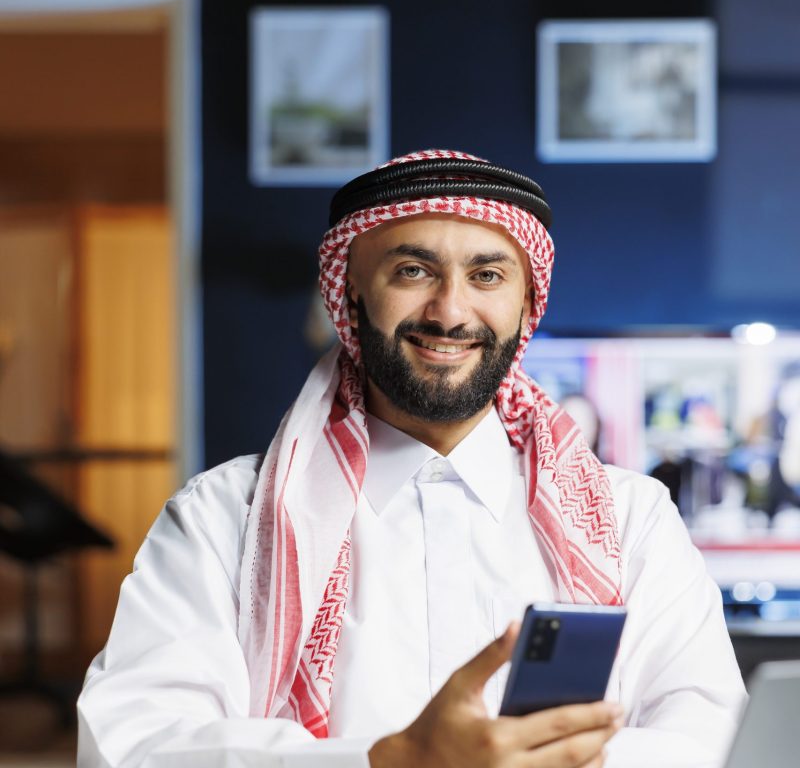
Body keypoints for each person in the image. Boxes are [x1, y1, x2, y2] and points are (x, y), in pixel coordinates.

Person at [77, 150, 746, 768]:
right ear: (351, 293)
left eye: (487, 275)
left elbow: (710, 730)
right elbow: (132, 742)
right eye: (413, 270)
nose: (450, 311)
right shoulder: (225, 518)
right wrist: (391, 760)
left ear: (527, 303)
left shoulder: (631, 521)